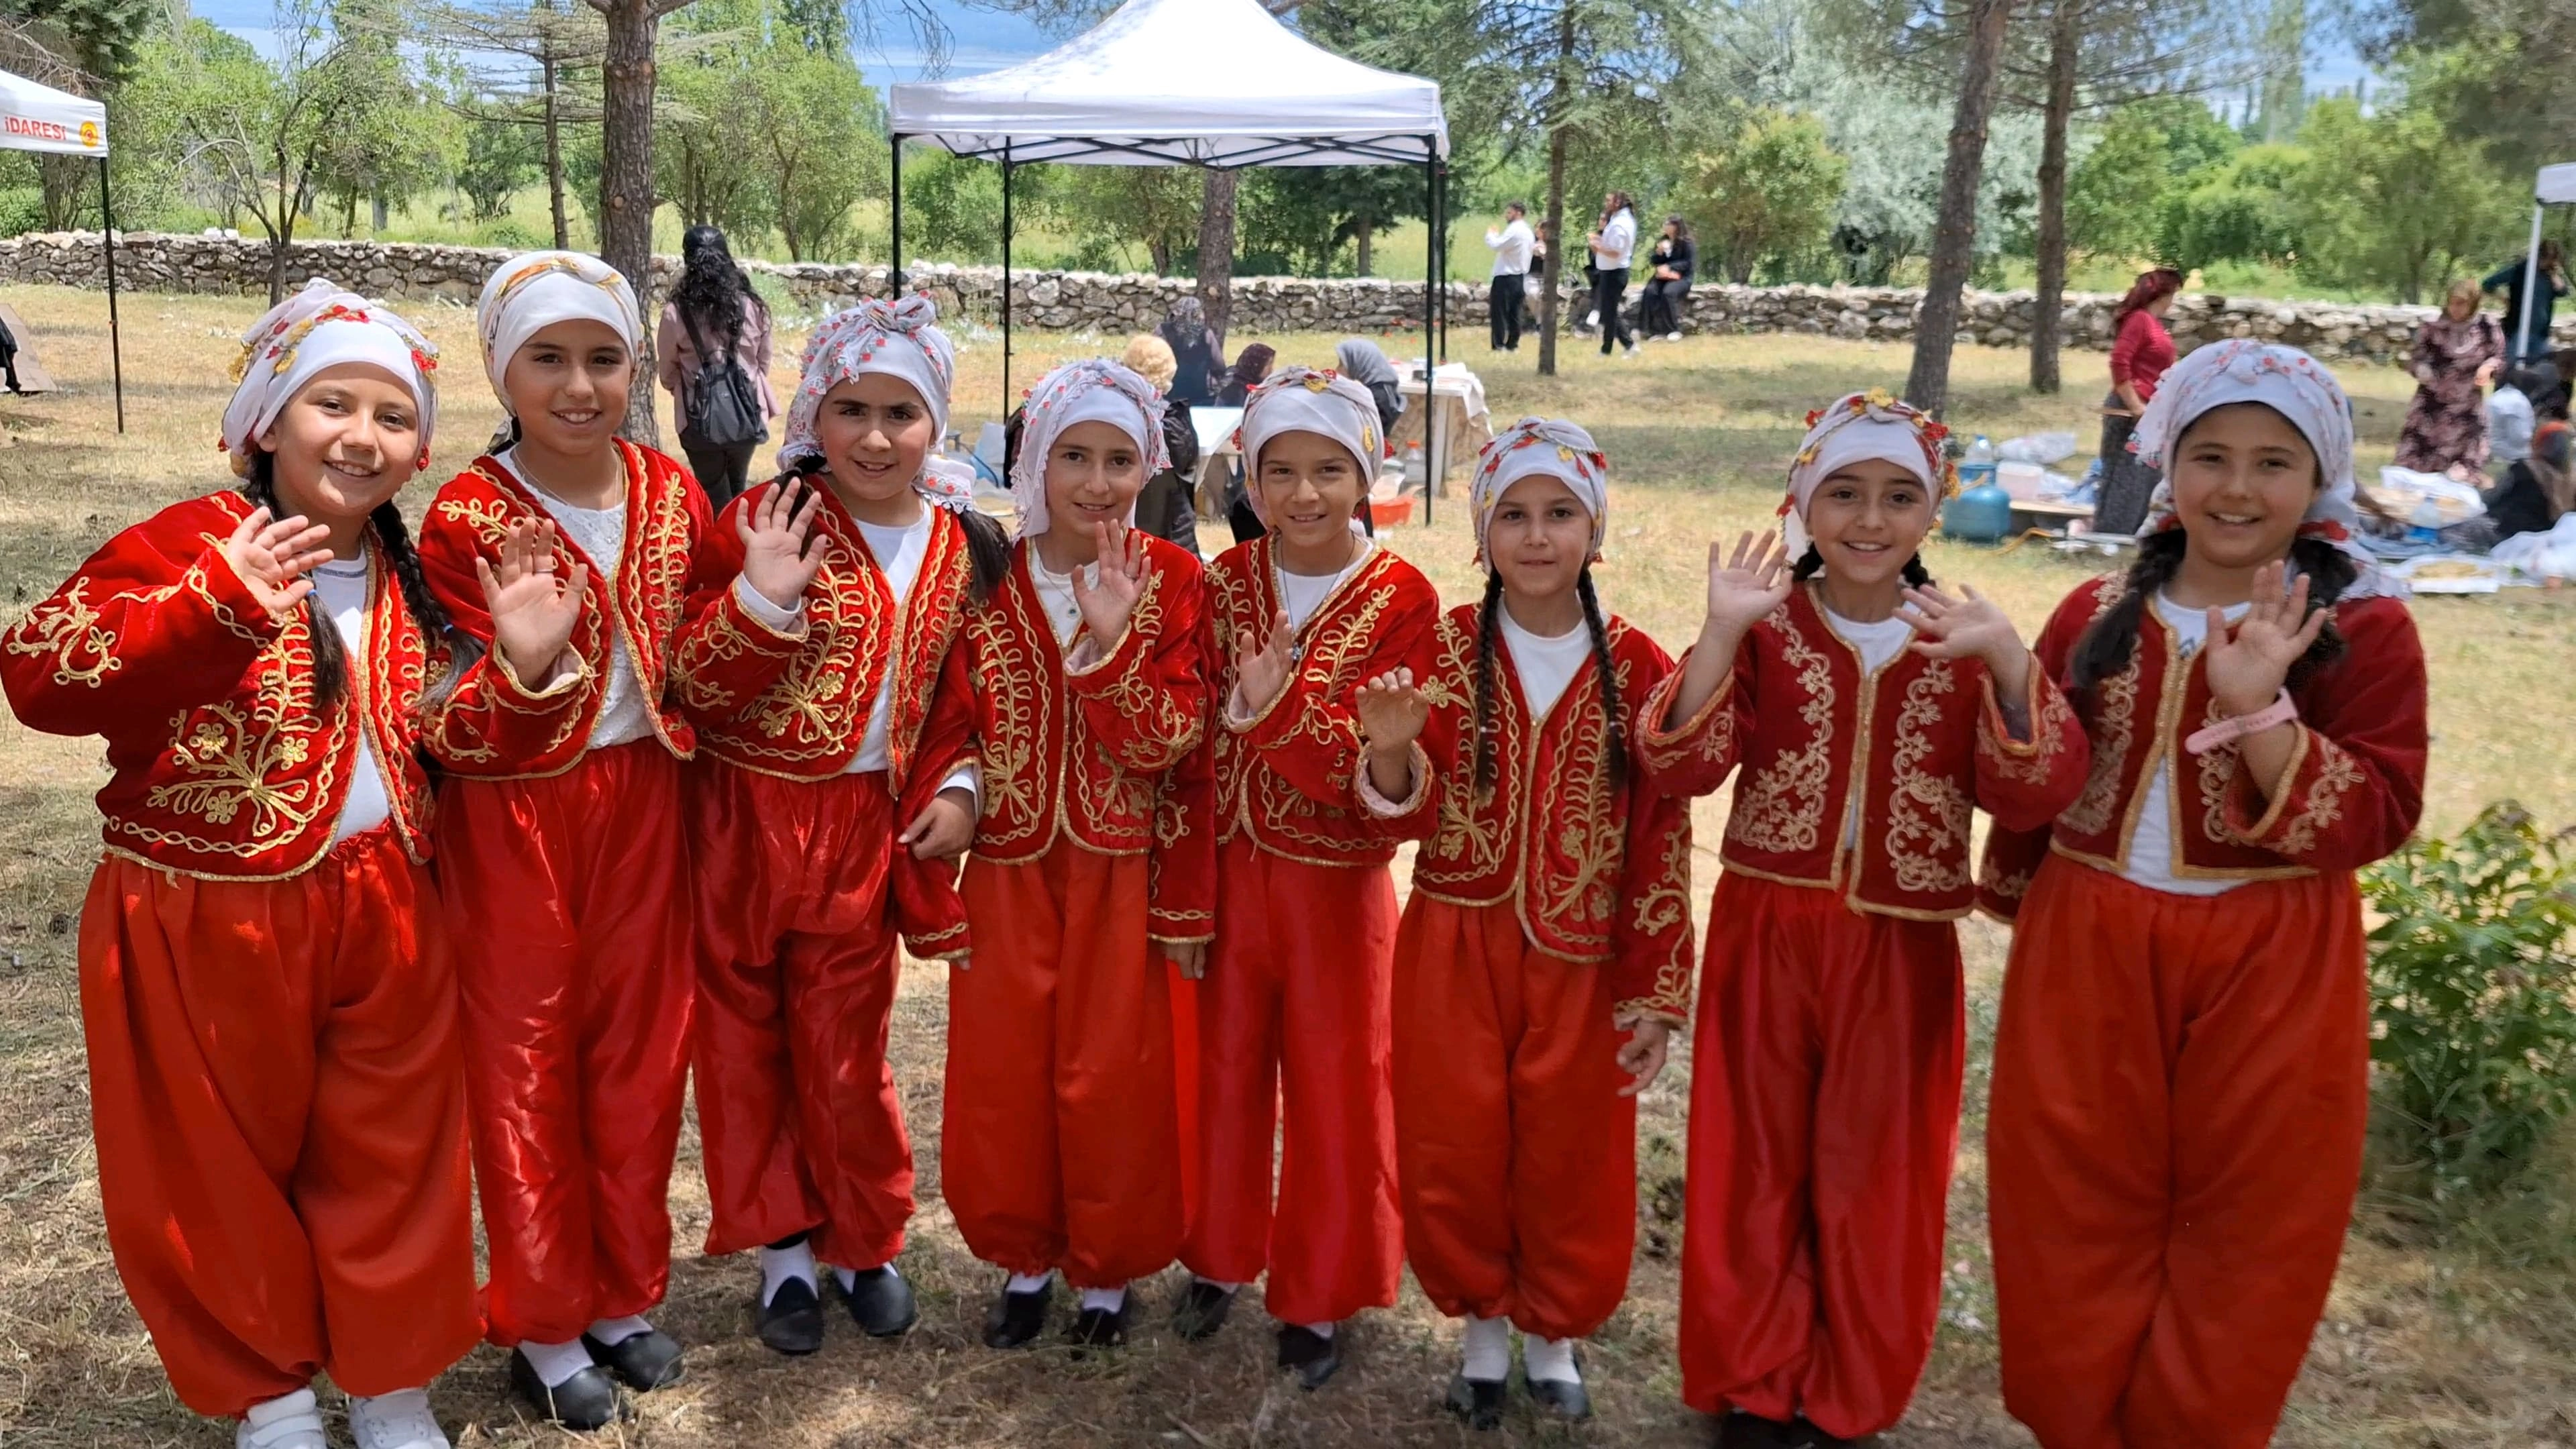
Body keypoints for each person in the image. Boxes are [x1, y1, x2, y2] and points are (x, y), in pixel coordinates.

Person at [1, 281, 507, 1449]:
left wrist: (521, 668)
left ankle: (391, 1384)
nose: (362, 436)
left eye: (393, 416)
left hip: (388, 905)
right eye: (334, 404)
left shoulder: (414, 578)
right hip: (201, 912)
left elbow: (453, 738)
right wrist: (213, 604)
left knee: (396, 1149)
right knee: (207, 1163)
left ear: (420, 448)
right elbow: (38, 672)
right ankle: (270, 1397)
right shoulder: (187, 543)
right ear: (267, 422)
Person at [1980, 339, 2428, 1449]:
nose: (2236, 487)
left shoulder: (2365, 629)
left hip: (2272, 955)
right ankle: (2076, 1421)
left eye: (2274, 463)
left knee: (2253, 1215)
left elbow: (2379, 813)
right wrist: (2001, 680)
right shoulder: (2093, 610)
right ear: (2167, 464)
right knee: (2065, 1190)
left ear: (2319, 478)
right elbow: (2036, 782)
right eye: (2211, 456)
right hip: (2088, 938)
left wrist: (2263, 711)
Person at [1638, 392, 2089, 1449]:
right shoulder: (1767, 627)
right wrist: (1718, 634)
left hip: (1902, 942)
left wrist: (2011, 665)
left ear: (1934, 510)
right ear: (1802, 502)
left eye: (1899, 496)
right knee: (1753, 1160)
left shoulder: (1962, 639)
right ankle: (1752, 1386)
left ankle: (1849, 1396)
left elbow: (2034, 795)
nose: (1871, 519)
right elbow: (1679, 768)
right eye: (1844, 493)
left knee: (1879, 1173)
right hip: (1768, 925)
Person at [674, 296, 1014, 1357]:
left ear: (935, 421)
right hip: (741, 821)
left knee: (846, 1048)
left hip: (864, 831)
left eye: (900, 413)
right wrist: (761, 604)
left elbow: (962, 700)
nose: (874, 437)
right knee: (743, 1045)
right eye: (851, 410)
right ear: (814, 413)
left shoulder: (961, 545)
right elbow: (693, 683)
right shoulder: (766, 519)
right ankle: (782, 1250)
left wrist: (960, 790)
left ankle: (865, 1241)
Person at [416, 251, 714, 1430]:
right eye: (549, 358)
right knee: (526, 1060)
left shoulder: (671, 489)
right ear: (503, 371)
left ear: (637, 368)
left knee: (641, 1052)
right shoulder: (464, 516)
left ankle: (622, 1296)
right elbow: (446, 711)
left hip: (648, 803)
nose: (580, 386)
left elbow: (699, 645)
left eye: (603, 358)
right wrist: (524, 669)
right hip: (517, 819)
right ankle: (544, 1322)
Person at [1360, 418, 1696, 1428]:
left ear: (1596, 531)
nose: (1538, 536)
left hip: (1582, 955)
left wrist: (1656, 990)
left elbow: (1660, 835)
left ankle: (1554, 1335)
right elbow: (1403, 813)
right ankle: (1481, 1333)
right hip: (1454, 939)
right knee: (1454, 1138)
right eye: (1513, 514)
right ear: (1481, 532)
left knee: (1572, 1151)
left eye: (1560, 514)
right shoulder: (1440, 648)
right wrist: (1388, 753)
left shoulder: (1640, 666)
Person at [934, 358, 1211, 1352]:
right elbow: (948, 718)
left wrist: (1114, 646)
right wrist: (960, 794)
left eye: (1120, 460)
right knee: (1007, 1070)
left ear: (1150, 469)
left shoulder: (1173, 579)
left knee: (1113, 1073)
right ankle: (1025, 1257)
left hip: (1120, 871)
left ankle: (1106, 1270)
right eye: (1075, 457)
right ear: (1035, 462)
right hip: (1009, 868)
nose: (1098, 482)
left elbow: (1173, 743)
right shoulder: (983, 575)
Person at [1177, 366, 1440, 1388]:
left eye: (1329, 469)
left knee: (1341, 1087)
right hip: (1229, 873)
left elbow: (1390, 783)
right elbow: (1195, 740)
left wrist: (1280, 712)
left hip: (1338, 889)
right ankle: (1216, 1254)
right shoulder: (1225, 582)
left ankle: (1322, 1291)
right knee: (1223, 1070)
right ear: (1249, 478)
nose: (1303, 494)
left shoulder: (1404, 599)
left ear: (1368, 472)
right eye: (1278, 471)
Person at [657, 225, 777, 510]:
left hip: (696, 417)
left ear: (688, 259)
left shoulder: (676, 312)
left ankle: (721, 536)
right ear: (726, 256)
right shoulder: (752, 306)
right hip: (746, 411)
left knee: (713, 493)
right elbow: (764, 360)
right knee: (738, 487)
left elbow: (667, 372)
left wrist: (687, 386)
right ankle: (737, 535)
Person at [2098, 268, 2183, 535]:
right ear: (2163, 294)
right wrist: (2135, 406)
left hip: (2151, 409)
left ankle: (2138, 532)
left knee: (2147, 476)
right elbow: (2119, 361)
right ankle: (2113, 533)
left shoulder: (2154, 324)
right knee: (2127, 476)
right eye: (2173, 294)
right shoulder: (2139, 320)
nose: (2173, 301)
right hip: (2130, 409)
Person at [2396, 278, 2507, 476]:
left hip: (2466, 408)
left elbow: (2499, 357)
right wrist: (2420, 369)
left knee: (2460, 474)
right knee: (2417, 470)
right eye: (2452, 303)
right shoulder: (2433, 327)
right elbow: (2414, 358)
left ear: (2473, 304)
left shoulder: (2487, 328)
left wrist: (2488, 367)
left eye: (2461, 304)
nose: (2455, 308)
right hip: (2431, 407)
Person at [1120, 333, 1204, 555]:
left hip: (1125, 529)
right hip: (1171, 532)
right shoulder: (1173, 423)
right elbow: (1188, 464)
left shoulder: (1116, 418)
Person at [2487, 417, 2572, 540]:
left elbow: (2492, 498)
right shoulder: (2571, 479)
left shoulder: (2524, 468)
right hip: (2553, 540)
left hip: (2507, 534)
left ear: (2539, 443)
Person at [2485, 240, 2569, 363]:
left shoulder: (2550, 276)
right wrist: (2505, 299)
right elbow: (2488, 284)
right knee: (2513, 367)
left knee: (2542, 368)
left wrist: (2554, 275)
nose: (2547, 263)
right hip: (2517, 331)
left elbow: (2563, 292)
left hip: (2540, 334)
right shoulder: (2519, 270)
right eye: (2546, 258)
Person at [1587, 191, 1638, 358]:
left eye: (1609, 200)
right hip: (1610, 271)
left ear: (1618, 203)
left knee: (1610, 311)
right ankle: (1606, 348)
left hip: (1615, 272)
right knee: (1608, 311)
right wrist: (1599, 241)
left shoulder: (1621, 223)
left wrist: (1597, 247)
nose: (1606, 203)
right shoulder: (1618, 220)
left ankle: (1629, 345)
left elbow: (1616, 251)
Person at [1485, 202, 1535, 352]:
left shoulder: (1515, 230)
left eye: (1509, 213)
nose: (1507, 216)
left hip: (1506, 275)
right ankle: (1513, 344)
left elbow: (1497, 245)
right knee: (1515, 312)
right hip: (1520, 276)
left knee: (1499, 312)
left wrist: (1491, 235)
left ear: (1518, 213)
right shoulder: (1528, 231)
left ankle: (1499, 345)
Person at [1158, 296, 1224, 407]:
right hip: (1199, 393)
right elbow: (1219, 365)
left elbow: (1151, 356)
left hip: (1169, 394)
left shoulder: (1162, 330)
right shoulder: (1206, 334)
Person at [1640, 216, 1696, 341]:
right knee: (1650, 291)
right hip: (1663, 277)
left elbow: (1688, 263)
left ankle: (1673, 330)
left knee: (1668, 293)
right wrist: (1659, 253)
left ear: (1676, 227)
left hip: (1682, 278)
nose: (1665, 227)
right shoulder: (1663, 241)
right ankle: (1649, 329)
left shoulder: (1687, 243)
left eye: (1668, 224)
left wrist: (1670, 266)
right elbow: (1654, 261)